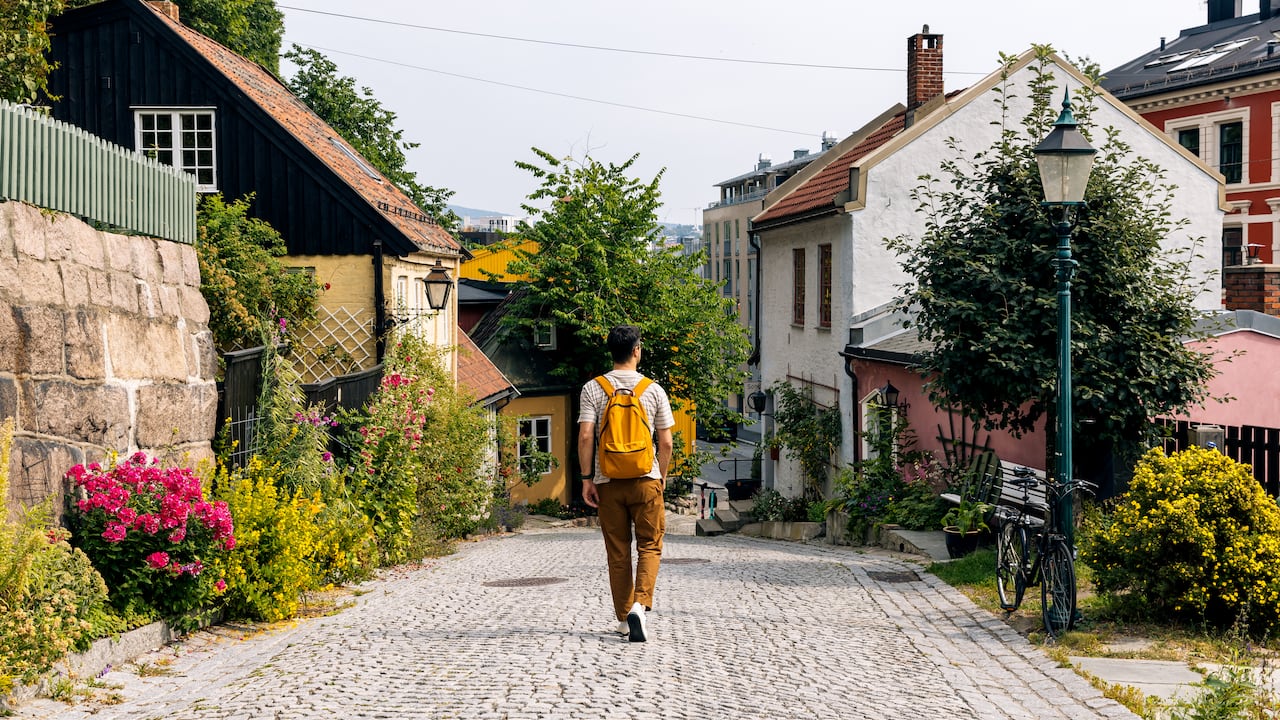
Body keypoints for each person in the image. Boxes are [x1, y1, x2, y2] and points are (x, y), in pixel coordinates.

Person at [577, 325, 674, 643]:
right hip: (645, 479)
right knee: (649, 545)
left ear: (611, 351)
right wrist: (661, 474)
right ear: (636, 350)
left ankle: (623, 618)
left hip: (608, 481)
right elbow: (666, 441)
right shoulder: (653, 390)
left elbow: (586, 435)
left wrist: (587, 479)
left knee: (618, 552)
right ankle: (639, 605)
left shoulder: (593, 388)